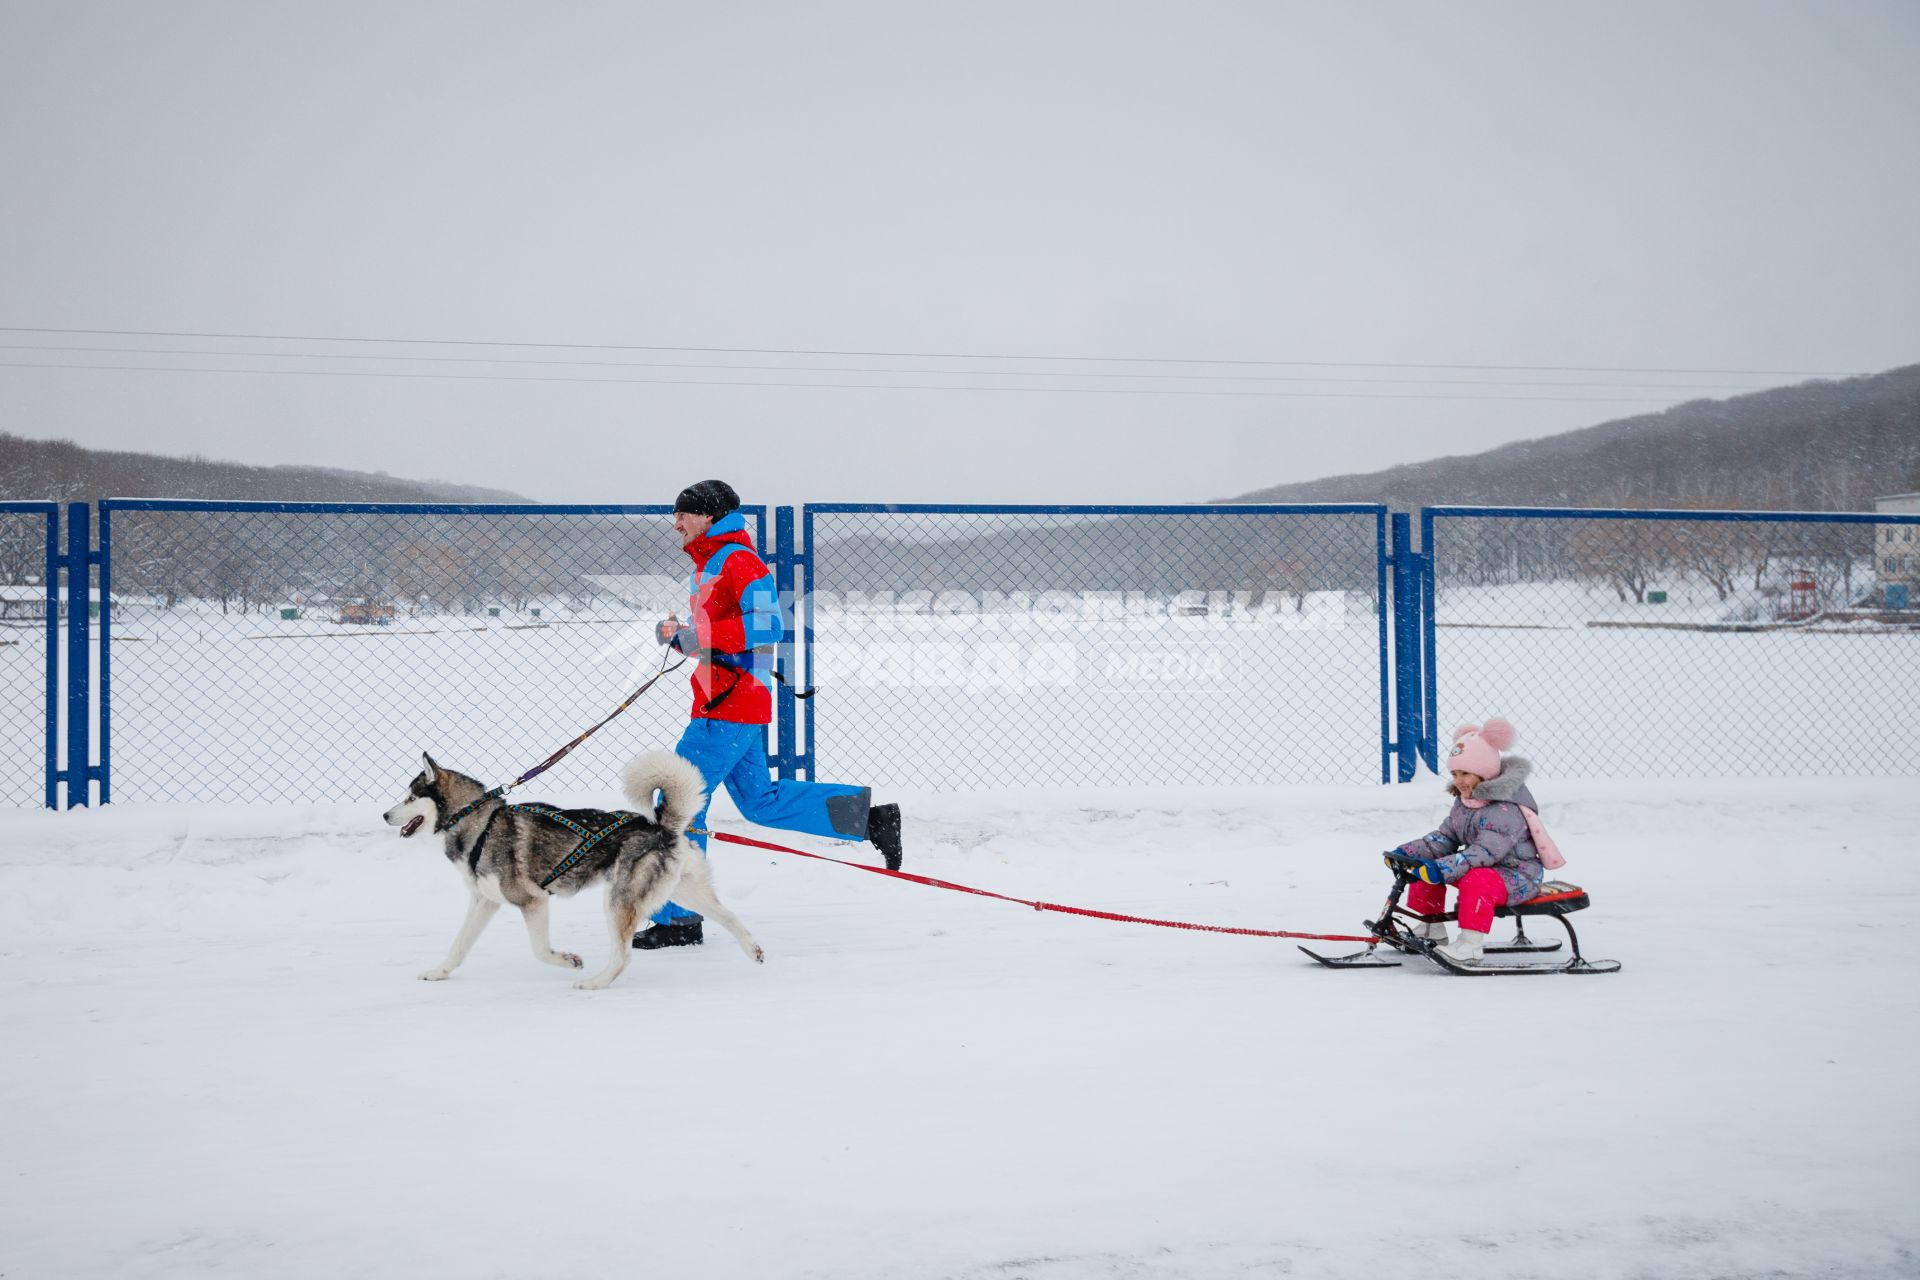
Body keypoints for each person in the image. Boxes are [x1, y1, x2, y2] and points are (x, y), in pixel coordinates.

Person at [634, 479, 905, 950]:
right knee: (761, 800)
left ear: (710, 517)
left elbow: (767, 625)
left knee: (675, 805)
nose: (675, 523)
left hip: (727, 706)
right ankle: (868, 818)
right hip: (730, 700)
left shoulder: (738, 560)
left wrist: (698, 635)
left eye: (683, 514)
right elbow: (717, 633)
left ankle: (680, 918)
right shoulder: (712, 562)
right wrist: (682, 635)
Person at [1386, 717, 1566, 964]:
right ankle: (1432, 927)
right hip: (1486, 869)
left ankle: (1470, 944)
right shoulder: (1466, 803)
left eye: (1466, 774)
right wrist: (1408, 853)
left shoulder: (1505, 809)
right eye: (1455, 773)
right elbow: (1445, 837)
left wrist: (1443, 869)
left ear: (1485, 773)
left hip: (1517, 875)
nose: (1459, 781)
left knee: (1475, 879)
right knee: (1423, 864)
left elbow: (1484, 852)